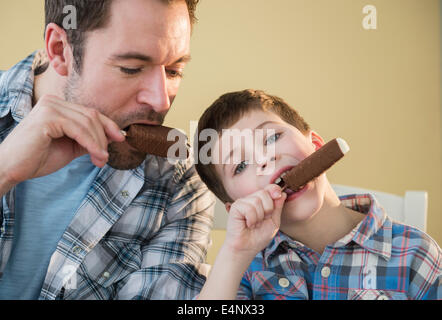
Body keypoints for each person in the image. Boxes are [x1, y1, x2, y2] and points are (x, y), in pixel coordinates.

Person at [0, 0, 214, 300]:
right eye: (132, 68)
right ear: (61, 49)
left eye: (174, 70)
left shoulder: (179, 180)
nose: (161, 100)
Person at [194, 89, 441, 300]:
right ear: (236, 207)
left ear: (316, 146)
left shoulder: (414, 253)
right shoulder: (243, 272)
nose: (264, 159)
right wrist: (235, 254)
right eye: (240, 165)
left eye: (272, 137)